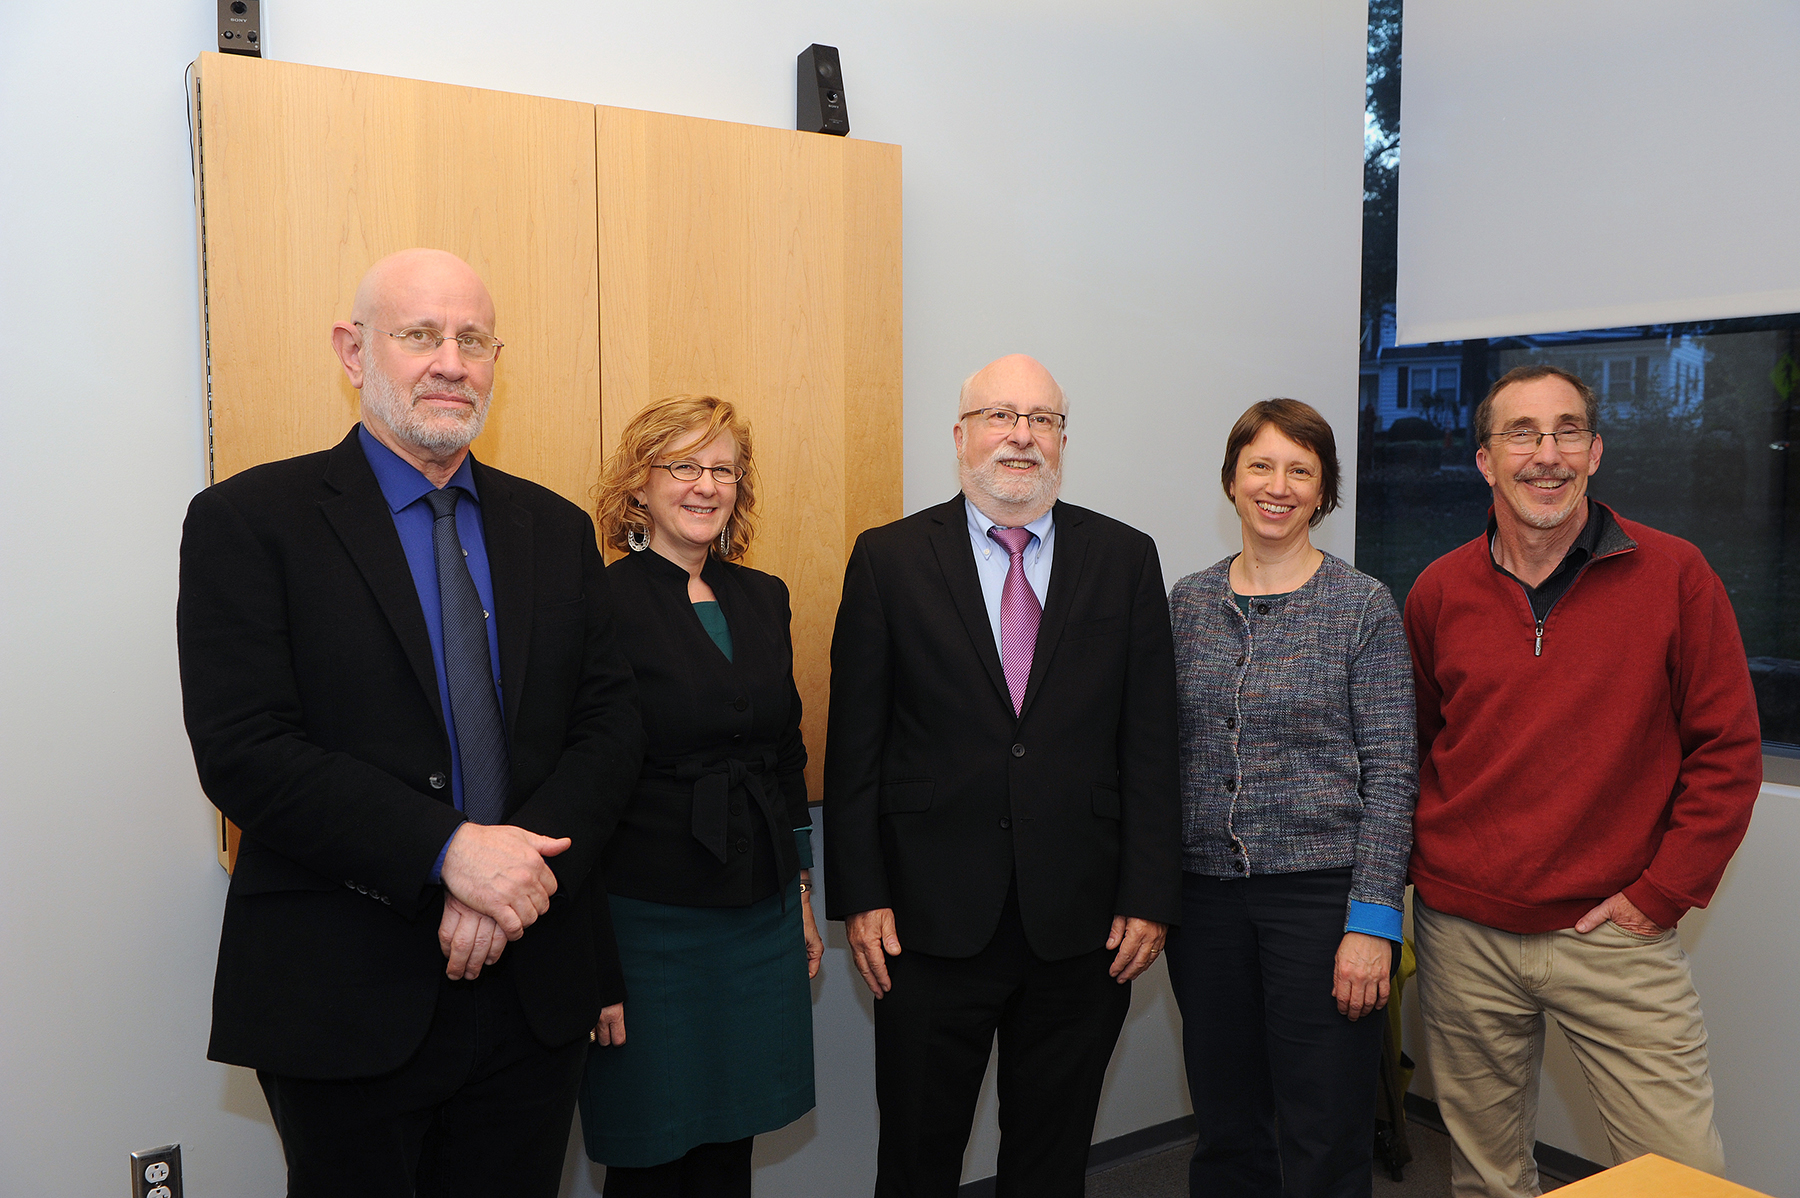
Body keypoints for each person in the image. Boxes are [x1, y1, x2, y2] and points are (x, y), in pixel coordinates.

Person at [176, 248, 644, 1198]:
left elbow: (610, 725)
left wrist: (512, 875)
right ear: (354, 352)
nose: (450, 362)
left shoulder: (553, 530)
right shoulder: (249, 521)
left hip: (533, 980)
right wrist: (448, 855)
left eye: (473, 339)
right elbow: (246, 750)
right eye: (420, 335)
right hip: (345, 993)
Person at [823, 353, 1181, 1198]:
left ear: (1062, 439)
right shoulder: (888, 559)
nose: (1021, 435)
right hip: (926, 920)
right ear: (961, 436)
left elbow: (1151, 743)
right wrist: (862, 895)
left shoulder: (1126, 558)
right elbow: (856, 747)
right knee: (917, 1158)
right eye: (1000, 416)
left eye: (1043, 419)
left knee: (1051, 1162)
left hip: (1085, 923)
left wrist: (1150, 895)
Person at [1405, 364, 1763, 1198]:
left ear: (1596, 452)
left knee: (1683, 1178)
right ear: (1485, 461)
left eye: (1568, 432)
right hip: (1465, 935)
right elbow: (1421, 749)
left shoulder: (1677, 576)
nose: (1548, 454)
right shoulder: (1437, 591)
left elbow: (1728, 752)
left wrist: (1661, 893)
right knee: (1488, 1178)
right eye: (1522, 434)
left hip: (1615, 933)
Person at [1165, 399, 1416, 1198]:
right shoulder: (1187, 604)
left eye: (1300, 470)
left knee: (1323, 1132)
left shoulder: (1362, 606)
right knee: (1227, 1126)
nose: (1278, 486)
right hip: (1203, 903)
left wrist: (1373, 921)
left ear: (1323, 491)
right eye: (1261, 466)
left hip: (1322, 903)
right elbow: (1158, 751)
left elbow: (1393, 771)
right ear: (1232, 482)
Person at [579, 394, 820, 1197]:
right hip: (644, 920)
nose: (705, 485)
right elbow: (575, 785)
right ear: (639, 484)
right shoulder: (597, 602)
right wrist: (591, 962)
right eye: (684, 466)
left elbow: (785, 755)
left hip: (757, 909)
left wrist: (802, 890)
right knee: (650, 1146)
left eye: (723, 469)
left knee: (730, 1142)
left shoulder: (763, 596)